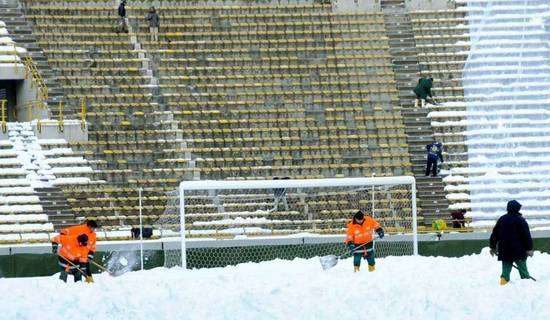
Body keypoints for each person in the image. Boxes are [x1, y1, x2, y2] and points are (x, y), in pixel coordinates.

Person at [489, 200, 534, 285]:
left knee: (505, 270)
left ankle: (503, 283)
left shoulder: (502, 219)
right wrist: (529, 248)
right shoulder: (520, 220)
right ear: (517, 209)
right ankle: (527, 285)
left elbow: (494, 234)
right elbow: (526, 236)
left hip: (505, 250)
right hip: (519, 250)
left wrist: (493, 247)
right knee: (523, 270)